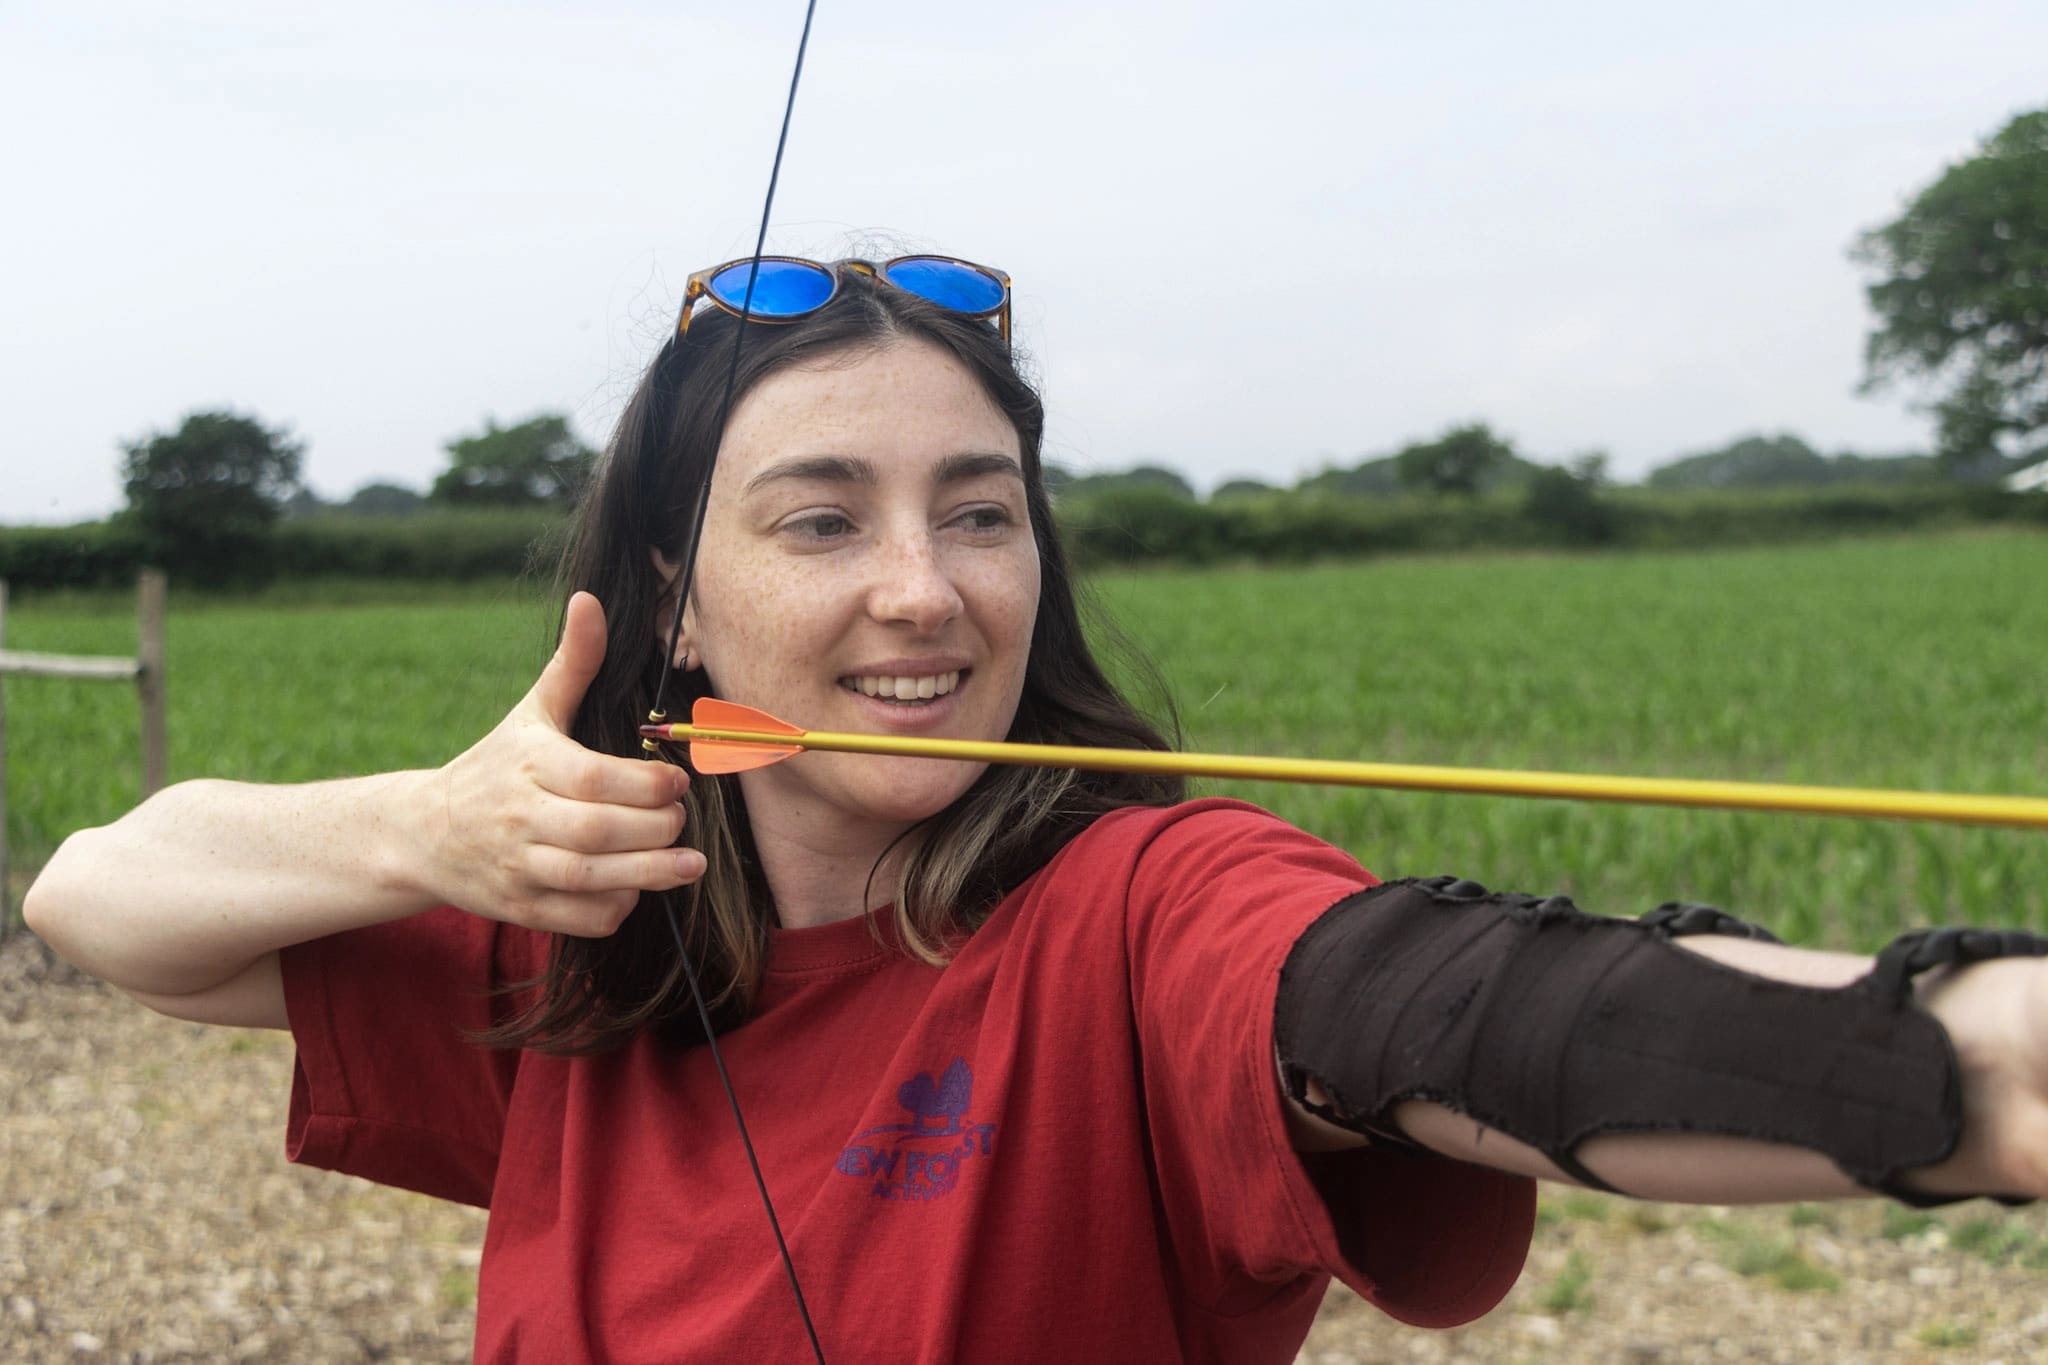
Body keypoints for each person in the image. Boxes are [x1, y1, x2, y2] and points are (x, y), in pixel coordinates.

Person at [24, 253, 2048, 1365]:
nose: (928, 586)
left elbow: (1442, 1000)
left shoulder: (1145, 904)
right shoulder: (589, 930)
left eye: (978, 511)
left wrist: (1955, 1058)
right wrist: (427, 827)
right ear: (672, 594)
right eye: (821, 517)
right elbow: (102, 893)